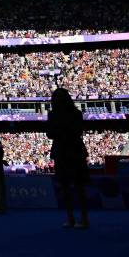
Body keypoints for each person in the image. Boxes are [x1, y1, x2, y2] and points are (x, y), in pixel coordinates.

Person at [47, 88, 89, 229]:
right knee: (72, 186)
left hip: (68, 150)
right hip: (68, 150)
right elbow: (51, 133)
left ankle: (77, 218)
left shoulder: (62, 114)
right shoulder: (68, 114)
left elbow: (51, 133)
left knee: (73, 186)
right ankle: (77, 218)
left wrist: (60, 130)